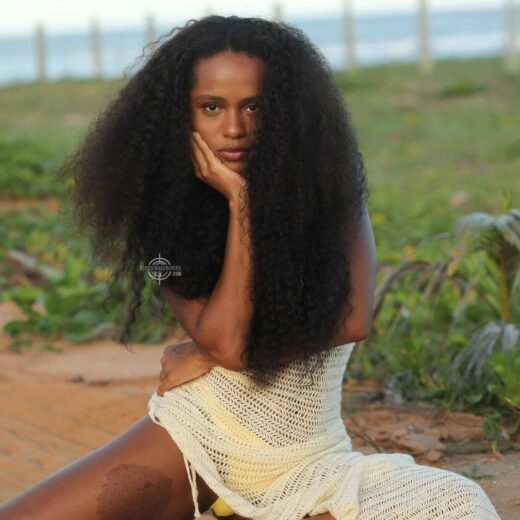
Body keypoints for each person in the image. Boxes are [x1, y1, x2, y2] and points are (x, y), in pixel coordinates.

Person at [0, 15, 501, 520]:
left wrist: (207, 351)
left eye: (254, 106)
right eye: (211, 107)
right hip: (197, 436)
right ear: (179, 112)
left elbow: (353, 320)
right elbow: (229, 345)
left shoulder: (334, 190)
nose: (234, 128)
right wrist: (240, 205)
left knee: (457, 505)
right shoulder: (159, 222)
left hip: (309, 457)